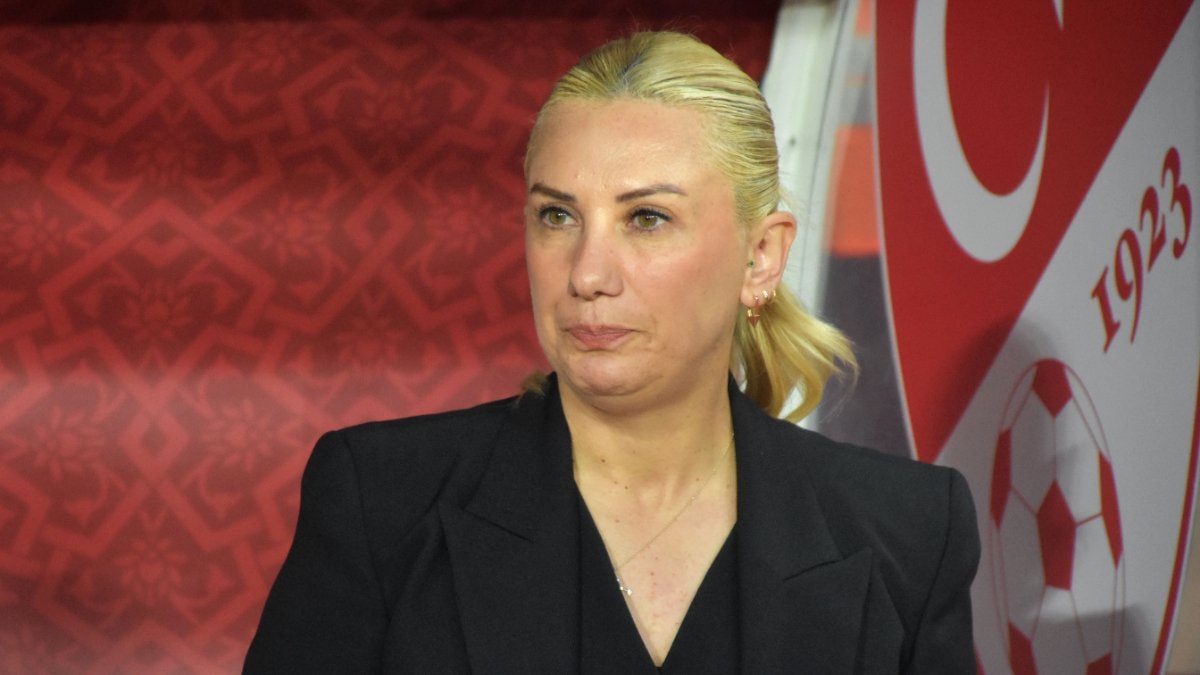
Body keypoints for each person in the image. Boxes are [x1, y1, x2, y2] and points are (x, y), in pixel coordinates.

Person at [244, 31, 979, 674]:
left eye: (647, 218)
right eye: (557, 216)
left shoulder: (910, 529)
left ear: (761, 256)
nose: (587, 274)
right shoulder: (382, 499)